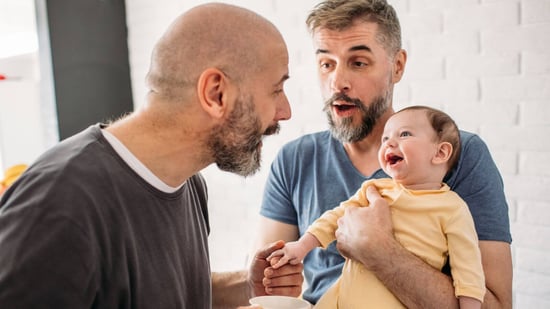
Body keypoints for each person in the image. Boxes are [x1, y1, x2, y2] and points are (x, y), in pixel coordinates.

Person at [0, 3, 303, 308]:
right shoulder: (60, 203)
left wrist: (244, 286)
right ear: (216, 93)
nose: (285, 112)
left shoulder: (188, 184)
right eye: (276, 90)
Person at [255, 0, 513, 308]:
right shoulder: (294, 158)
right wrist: (272, 280)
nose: (338, 82)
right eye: (326, 64)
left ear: (397, 66)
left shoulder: (458, 156)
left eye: (359, 62)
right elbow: (269, 283)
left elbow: (496, 305)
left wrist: (379, 251)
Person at [268, 106, 485, 308]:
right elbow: (334, 217)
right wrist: (302, 246)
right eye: (385, 138)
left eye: (404, 134)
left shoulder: (453, 208)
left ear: (440, 153)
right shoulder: (374, 189)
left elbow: (468, 270)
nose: (389, 143)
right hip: (342, 300)